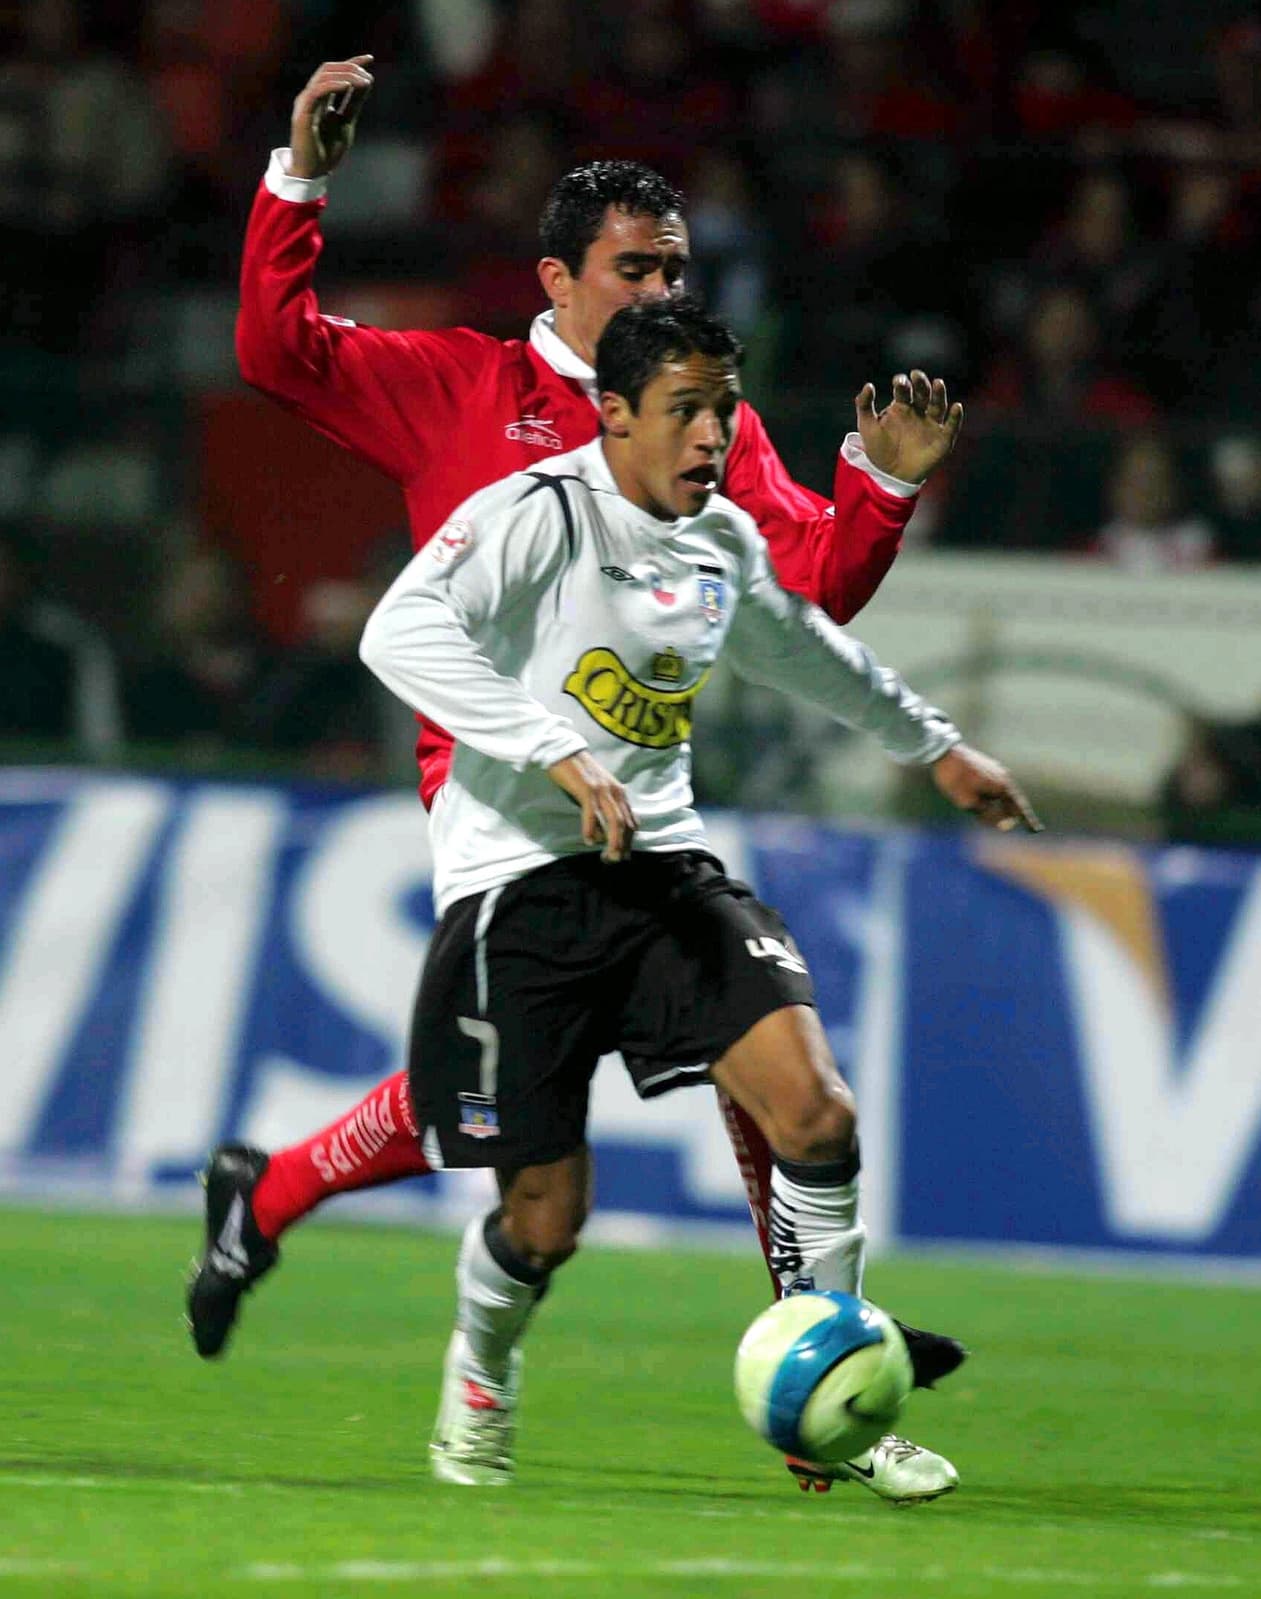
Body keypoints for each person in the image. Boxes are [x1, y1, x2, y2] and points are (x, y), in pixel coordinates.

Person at [190, 53, 967, 1501]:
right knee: (519, 1144)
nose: (660, 288)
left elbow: (808, 589)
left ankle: (821, 1356)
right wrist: (300, 177)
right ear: (556, 281)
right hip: (499, 803)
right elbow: (275, 352)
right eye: (632, 269)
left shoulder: (704, 416)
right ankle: (293, 1198)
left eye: (674, 266)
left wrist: (881, 487)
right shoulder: (456, 385)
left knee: (773, 1077)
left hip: (644, 804)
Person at [353, 297, 1038, 1488]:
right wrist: (554, 753)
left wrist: (934, 747)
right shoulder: (537, 513)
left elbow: (805, 652)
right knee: (544, 1218)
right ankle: (480, 1374)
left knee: (815, 1117)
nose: (712, 435)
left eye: (723, 409)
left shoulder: (717, 540)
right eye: (684, 410)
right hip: (518, 886)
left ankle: (841, 1404)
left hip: (663, 872)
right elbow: (397, 632)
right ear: (615, 414)